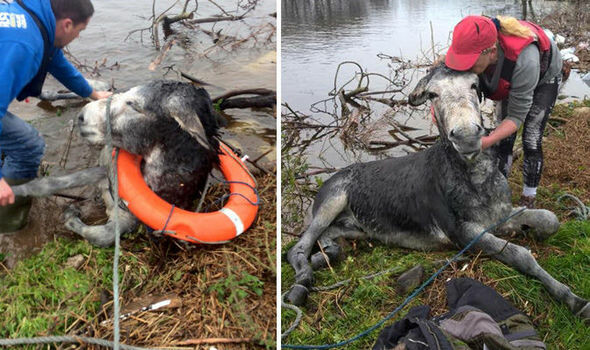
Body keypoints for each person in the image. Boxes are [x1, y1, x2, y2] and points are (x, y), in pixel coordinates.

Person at [0, 0, 112, 232]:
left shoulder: (35, 17)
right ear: (68, 24)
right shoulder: (24, 46)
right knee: (28, 145)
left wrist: (92, 93)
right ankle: (7, 224)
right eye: (80, 31)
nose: (78, 37)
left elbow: (57, 63)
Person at [445, 15, 563, 209]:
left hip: (545, 77)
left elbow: (516, 117)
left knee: (531, 139)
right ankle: (498, 191)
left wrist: (487, 141)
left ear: (491, 52)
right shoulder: (475, 44)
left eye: (469, 62)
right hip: (510, 72)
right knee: (504, 141)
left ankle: (528, 198)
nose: (464, 68)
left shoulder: (526, 61)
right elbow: (448, 75)